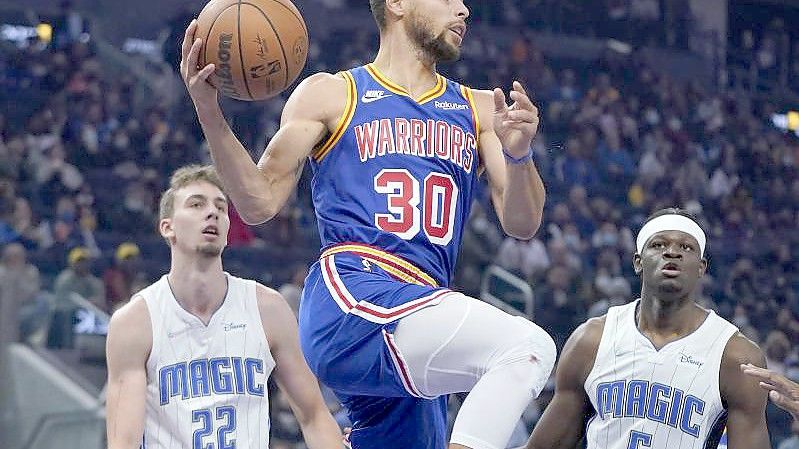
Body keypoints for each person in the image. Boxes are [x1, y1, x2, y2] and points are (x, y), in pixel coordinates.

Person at [180, 0, 557, 448]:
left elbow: (522, 222)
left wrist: (519, 156)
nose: (464, 9)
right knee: (524, 347)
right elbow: (258, 202)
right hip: (354, 292)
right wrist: (209, 112)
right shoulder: (332, 94)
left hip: (418, 315)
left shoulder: (479, 109)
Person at [105, 165, 342, 449]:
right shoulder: (134, 322)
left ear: (228, 230)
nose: (212, 212)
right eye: (196, 204)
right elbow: (123, 442)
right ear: (168, 227)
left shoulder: (268, 308)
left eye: (221, 207)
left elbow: (314, 416)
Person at [526, 208, 771, 449]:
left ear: (701, 268)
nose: (672, 253)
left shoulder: (736, 356)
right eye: (658, 245)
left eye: (686, 248)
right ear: (638, 262)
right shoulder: (591, 340)